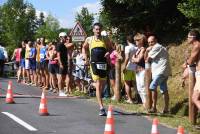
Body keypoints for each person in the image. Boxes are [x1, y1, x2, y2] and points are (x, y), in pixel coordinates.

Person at [82, 23, 112, 116]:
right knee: (99, 85)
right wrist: (85, 57)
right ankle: (101, 108)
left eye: (99, 29)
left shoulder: (105, 39)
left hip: (103, 64)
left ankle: (92, 84)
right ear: (93, 30)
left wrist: (108, 53)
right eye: (96, 29)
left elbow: (111, 49)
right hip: (94, 64)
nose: (98, 31)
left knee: (102, 86)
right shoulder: (89, 39)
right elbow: (84, 47)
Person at [145, 35, 171, 113]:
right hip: (162, 71)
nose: (150, 44)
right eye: (149, 42)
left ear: (156, 40)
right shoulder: (159, 47)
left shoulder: (157, 47)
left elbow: (147, 59)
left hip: (160, 71)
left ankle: (154, 107)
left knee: (152, 87)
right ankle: (166, 109)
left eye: (152, 42)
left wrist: (146, 51)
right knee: (164, 90)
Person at [183, 30, 200, 110]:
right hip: (198, 72)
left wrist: (186, 62)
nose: (187, 39)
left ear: (193, 37)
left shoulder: (197, 45)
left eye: (188, 37)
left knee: (195, 98)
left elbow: (191, 61)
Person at [132, 33, 147, 108]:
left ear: (142, 40)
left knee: (142, 87)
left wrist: (134, 59)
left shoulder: (143, 49)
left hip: (143, 70)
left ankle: (146, 103)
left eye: (137, 40)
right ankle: (144, 103)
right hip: (137, 70)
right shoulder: (138, 49)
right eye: (135, 40)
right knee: (139, 88)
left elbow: (137, 59)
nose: (136, 41)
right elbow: (133, 59)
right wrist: (134, 59)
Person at [123, 35, 138, 104]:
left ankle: (130, 99)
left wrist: (124, 66)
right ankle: (138, 98)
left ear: (127, 40)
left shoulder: (127, 47)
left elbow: (127, 58)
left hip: (128, 67)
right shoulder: (136, 47)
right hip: (135, 67)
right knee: (135, 84)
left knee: (127, 84)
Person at [57, 32, 68, 96]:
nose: (66, 38)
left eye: (66, 37)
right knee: (60, 78)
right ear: (61, 37)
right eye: (65, 37)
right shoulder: (59, 45)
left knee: (63, 77)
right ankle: (60, 91)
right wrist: (61, 64)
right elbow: (58, 55)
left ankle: (62, 91)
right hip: (62, 63)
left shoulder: (63, 45)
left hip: (65, 62)